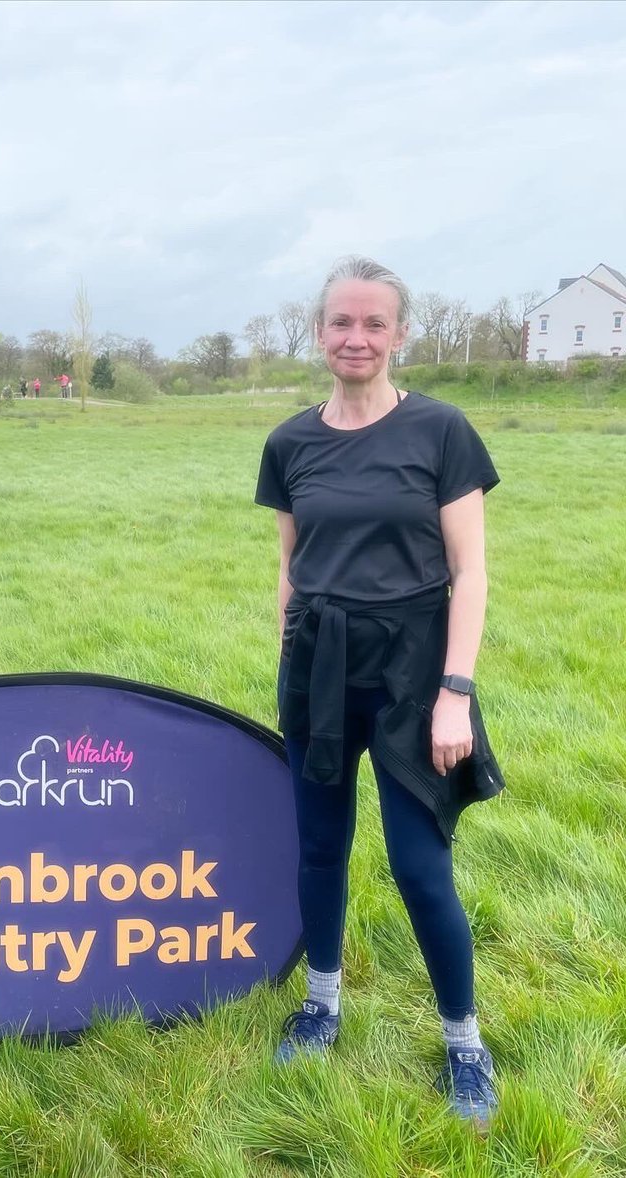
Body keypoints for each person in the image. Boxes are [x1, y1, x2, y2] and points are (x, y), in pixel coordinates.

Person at [254, 256, 503, 1130]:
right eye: (340, 323)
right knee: (319, 848)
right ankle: (322, 1002)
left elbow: (470, 572)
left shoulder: (441, 432)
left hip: (412, 672)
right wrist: (288, 660)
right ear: (318, 332)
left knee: (418, 865)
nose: (355, 338)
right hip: (317, 668)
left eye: (373, 324)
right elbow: (289, 566)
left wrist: (455, 693)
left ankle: (464, 1041)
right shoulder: (290, 443)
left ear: (400, 334)